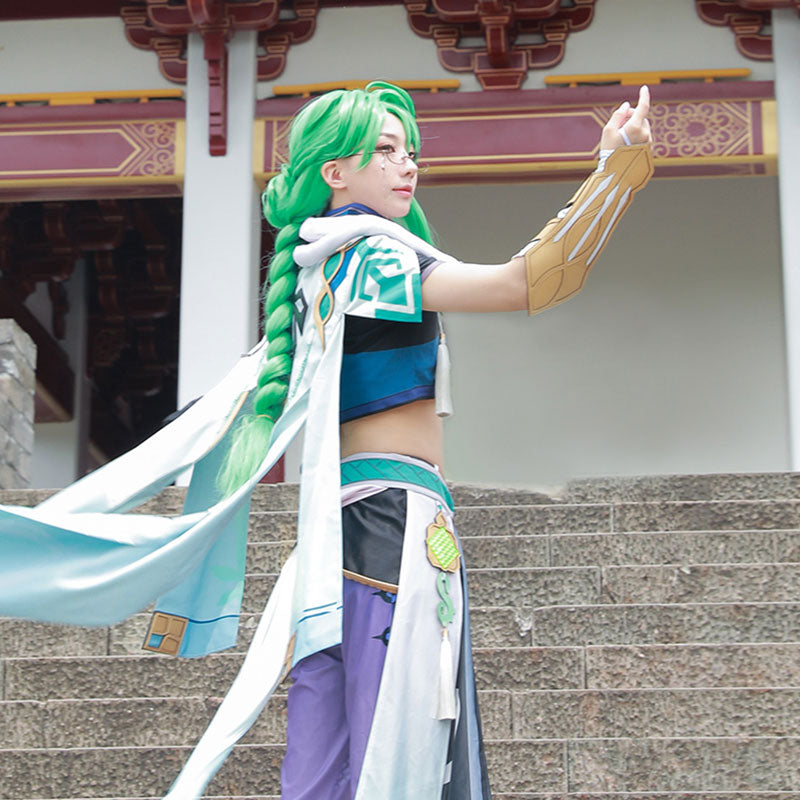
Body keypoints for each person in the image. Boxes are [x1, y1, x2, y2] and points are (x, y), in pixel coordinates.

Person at [0, 81, 652, 800]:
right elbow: (527, 284)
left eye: (410, 150)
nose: (408, 164)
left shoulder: (324, 265)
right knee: (398, 751)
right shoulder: (372, 255)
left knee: (324, 766)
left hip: (339, 535)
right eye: (385, 149)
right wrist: (615, 174)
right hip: (391, 524)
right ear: (334, 172)